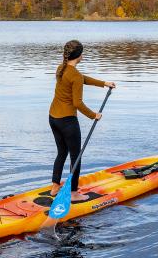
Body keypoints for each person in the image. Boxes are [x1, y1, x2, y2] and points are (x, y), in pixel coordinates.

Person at [49, 39, 116, 201]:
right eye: (82, 53)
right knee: (76, 156)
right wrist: (94, 115)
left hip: (53, 118)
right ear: (79, 56)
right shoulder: (75, 75)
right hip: (67, 121)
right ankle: (73, 193)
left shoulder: (61, 68)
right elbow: (77, 103)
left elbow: (80, 78)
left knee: (62, 152)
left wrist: (104, 83)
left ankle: (55, 186)